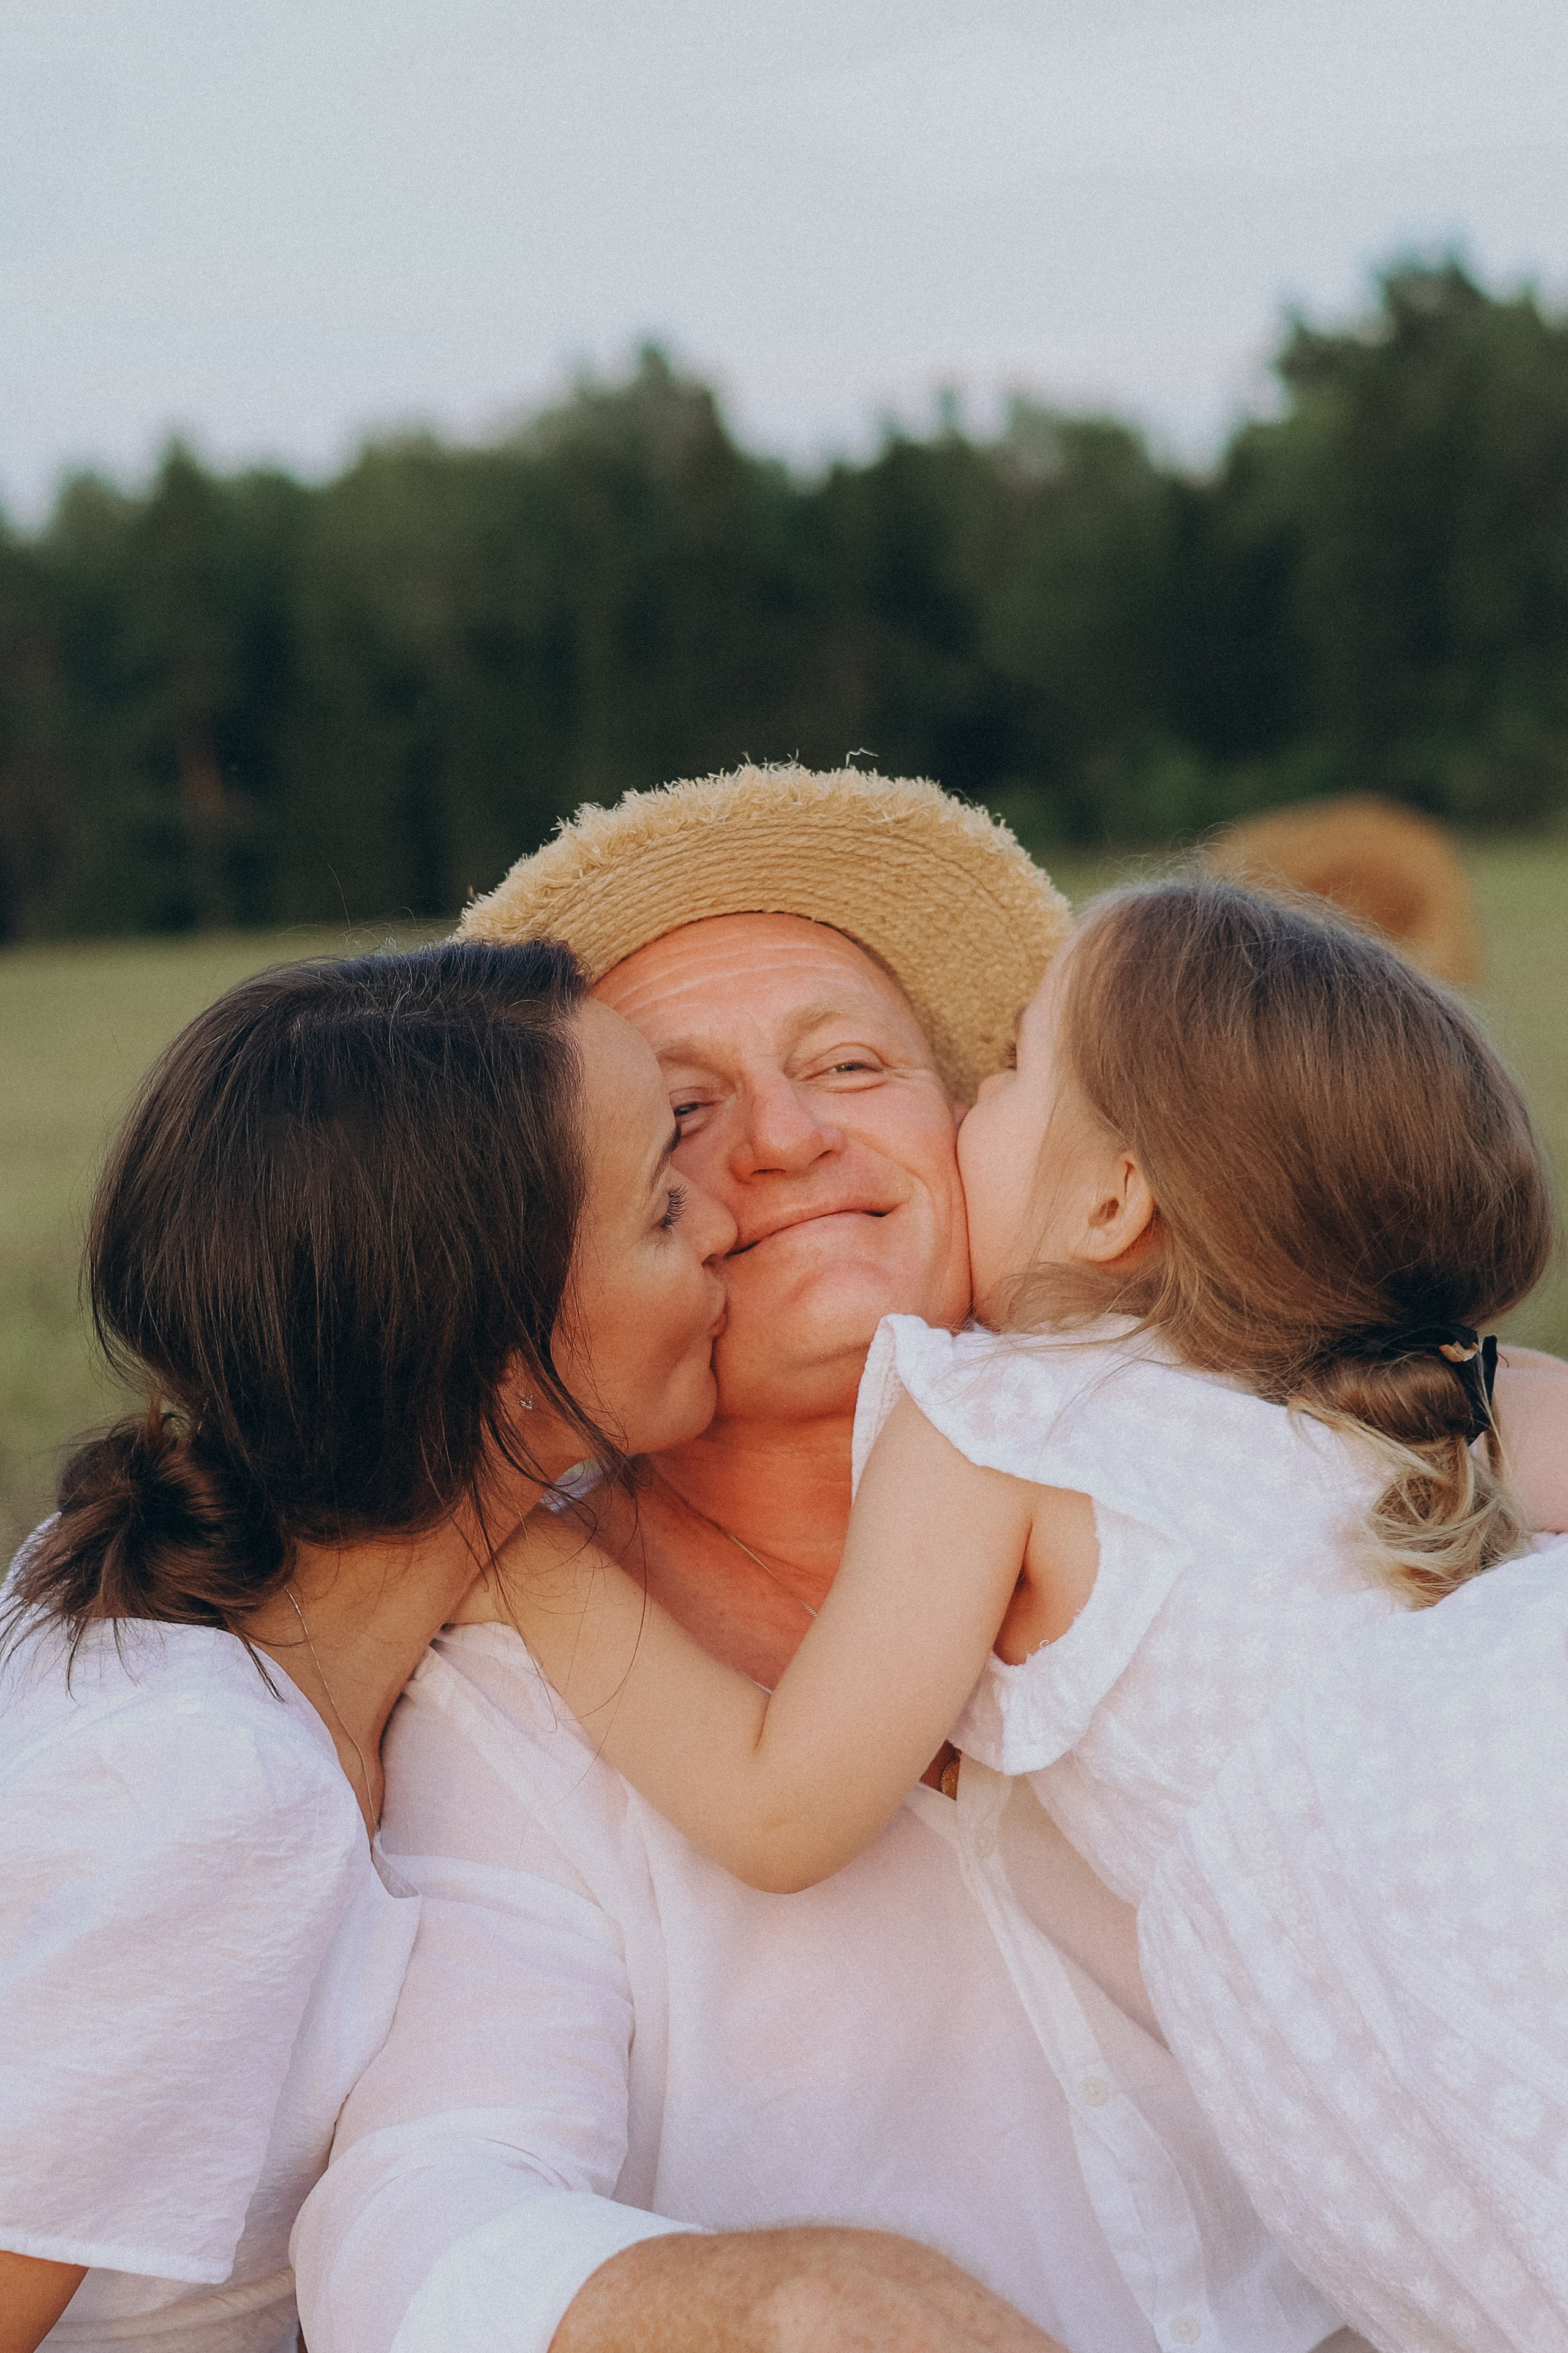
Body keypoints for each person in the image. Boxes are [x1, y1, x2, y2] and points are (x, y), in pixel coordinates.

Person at [294, 766, 1565, 2353]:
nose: (783, 1136)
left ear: (1093, 1178)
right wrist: (789, 2304)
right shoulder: (515, 1706)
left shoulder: (1292, 1405)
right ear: (559, 1239)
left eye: (849, 1061)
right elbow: (428, 2205)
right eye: (681, 1112)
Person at [0, 939, 736, 2353]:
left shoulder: (142, 1590)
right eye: (660, 1204)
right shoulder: (221, 1794)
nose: (723, 1218)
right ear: (510, 1379)